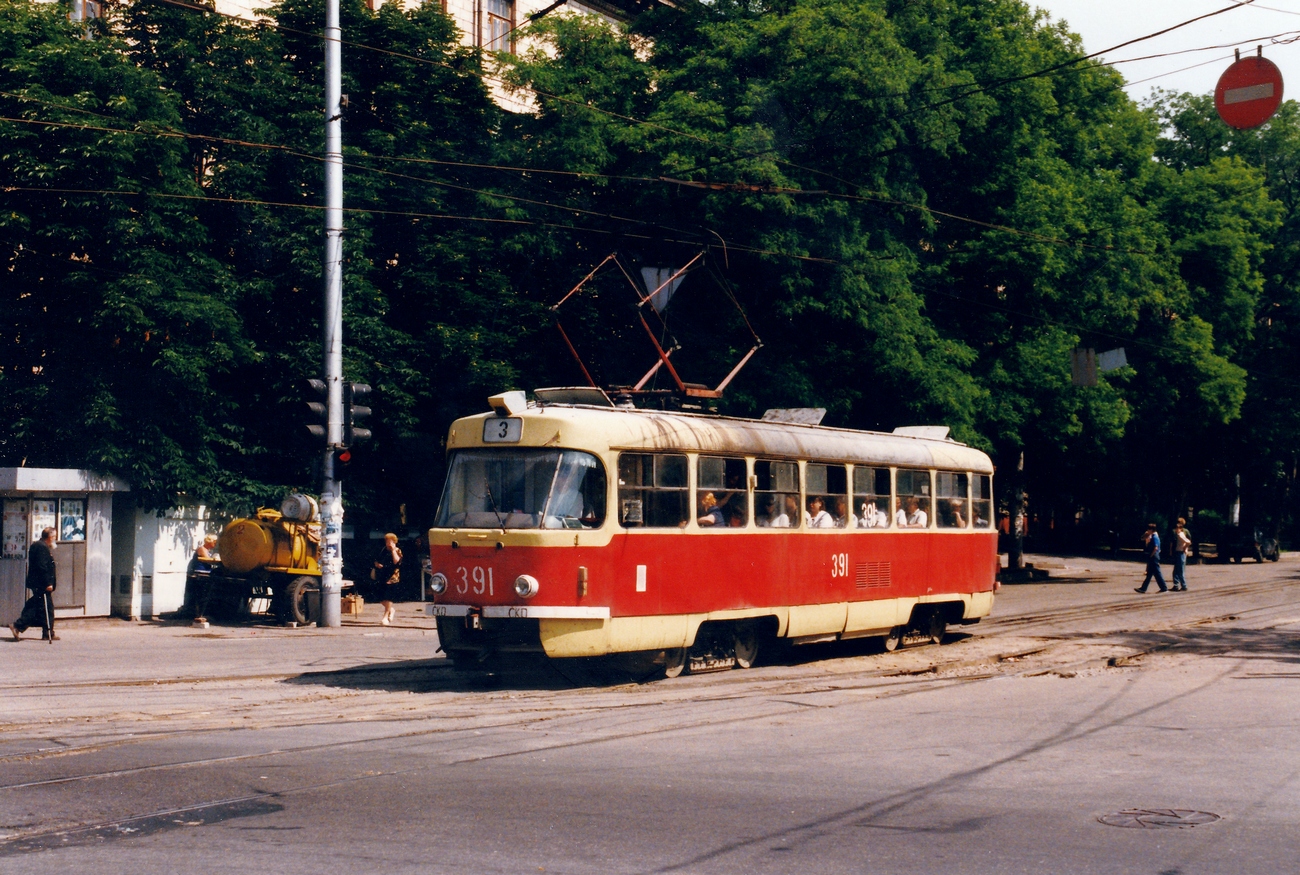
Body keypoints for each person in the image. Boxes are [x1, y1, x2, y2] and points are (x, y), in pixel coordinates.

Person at [10, 527, 57, 641]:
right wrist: (48, 582)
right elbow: (42, 567)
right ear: (50, 537)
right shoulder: (41, 547)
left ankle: (47, 632)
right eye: (54, 537)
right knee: (43, 607)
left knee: (41, 606)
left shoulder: (39, 546)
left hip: (37, 582)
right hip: (41, 583)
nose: (55, 539)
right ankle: (18, 625)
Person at [373, 533, 403, 625]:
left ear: (394, 542)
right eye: (386, 541)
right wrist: (377, 564)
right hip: (383, 575)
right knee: (381, 598)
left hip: (393, 577)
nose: (388, 543)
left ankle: (385, 617)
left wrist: (393, 550)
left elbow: (397, 562)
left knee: (388, 597)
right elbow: (376, 560)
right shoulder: (383, 550)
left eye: (390, 541)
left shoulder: (397, 550)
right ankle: (391, 610)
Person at [1135, 522, 1168, 594]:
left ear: (1151, 530)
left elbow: (1155, 547)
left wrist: (1151, 555)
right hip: (1154, 556)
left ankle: (1164, 588)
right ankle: (1143, 588)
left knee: (1157, 573)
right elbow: (1143, 538)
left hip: (1154, 556)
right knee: (1150, 574)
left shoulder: (1154, 537)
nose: (1147, 530)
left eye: (1148, 529)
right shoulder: (1153, 536)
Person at [1170, 518, 1191, 592]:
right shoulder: (1183, 533)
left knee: (1180, 571)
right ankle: (1176, 585)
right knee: (1177, 570)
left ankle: (1184, 585)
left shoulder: (1180, 534)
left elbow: (1188, 541)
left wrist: (1184, 547)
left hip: (1180, 552)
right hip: (1179, 552)